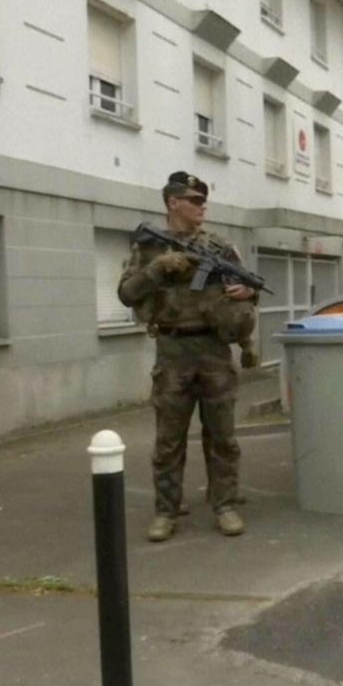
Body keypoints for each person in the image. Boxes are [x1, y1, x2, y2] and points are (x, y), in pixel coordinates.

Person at [118, 172, 258, 541]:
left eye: (203, 201)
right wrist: (158, 268)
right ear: (173, 202)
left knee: (222, 435)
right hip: (173, 349)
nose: (202, 207)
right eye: (194, 200)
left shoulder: (219, 247)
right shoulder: (148, 247)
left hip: (214, 349)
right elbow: (127, 293)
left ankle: (225, 505)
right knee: (169, 439)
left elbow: (248, 287)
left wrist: (247, 292)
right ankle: (167, 511)